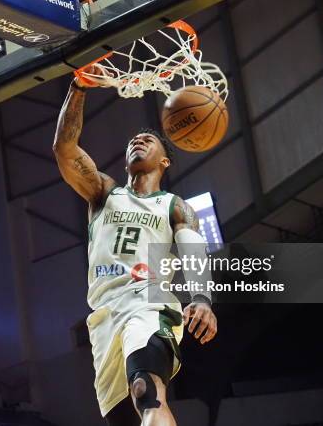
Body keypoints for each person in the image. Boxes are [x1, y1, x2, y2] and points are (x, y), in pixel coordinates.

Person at [52, 67, 218, 426]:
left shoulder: (174, 204)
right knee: (124, 420)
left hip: (149, 303)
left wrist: (202, 299)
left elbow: (193, 249)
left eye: (148, 140)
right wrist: (79, 86)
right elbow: (64, 149)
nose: (138, 141)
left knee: (146, 388)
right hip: (103, 317)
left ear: (165, 160)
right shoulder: (103, 193)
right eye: (133, 140)